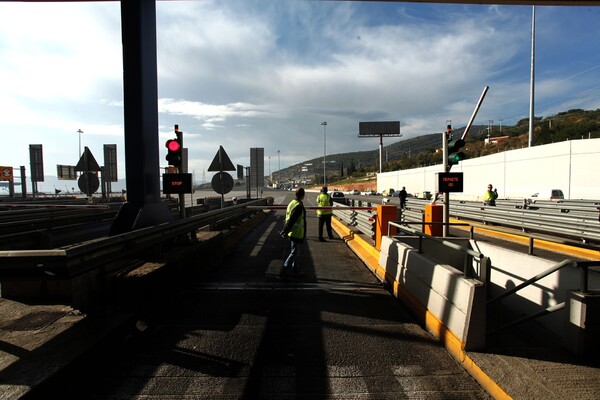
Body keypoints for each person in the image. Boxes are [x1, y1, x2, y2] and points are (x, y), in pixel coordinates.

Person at [279, 187, 306, 280]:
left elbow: (288, 219)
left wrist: (285, 230)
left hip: (292, 232)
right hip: (296, 232)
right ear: (303, 195)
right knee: (294, 252)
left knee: (295, 252)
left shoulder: (291, 203)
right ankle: (285, 269)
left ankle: (295, 271)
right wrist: (284, 230)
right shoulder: (298, 205)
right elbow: (291, 220)